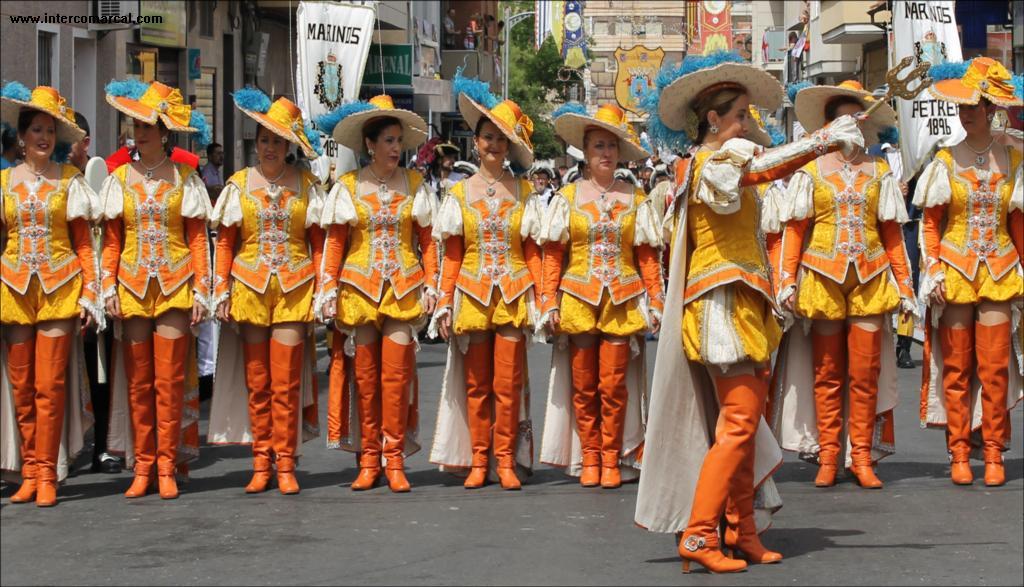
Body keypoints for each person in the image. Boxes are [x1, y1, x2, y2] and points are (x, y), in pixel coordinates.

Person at [633, 52, 864, 573]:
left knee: (742, 425)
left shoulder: (719, 162)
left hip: (745, 304)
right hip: (720, 304)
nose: (748, 123)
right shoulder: (708, 164)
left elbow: (760, 166)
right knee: (739, 423)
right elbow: (760, 169)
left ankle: (741, 530)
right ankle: (699, 534)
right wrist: (824, 139)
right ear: (713, 120)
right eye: (740, 115)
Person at [772, 80, 916, 489]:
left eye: (856, 118)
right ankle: (829, 455)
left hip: (870, 278)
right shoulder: (810, 172)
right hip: (822, 278)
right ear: (829, 126)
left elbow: (892, 234)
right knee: (827, 373)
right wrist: (787, 279)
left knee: (865, 373)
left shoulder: (880, 172)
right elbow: (795, 229)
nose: (851, 125)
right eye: (843, 119)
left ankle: (862, 457)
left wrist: (905, 286)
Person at [537, 102, 664, 490]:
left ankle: (611, 457)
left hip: (622, 299)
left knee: (614, 385)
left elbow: (647, 255)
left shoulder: (636, 198)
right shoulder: (567, 197)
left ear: (620, 151)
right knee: (583, 385)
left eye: (611, 146)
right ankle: (589, 455)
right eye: (598, 146)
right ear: (586, 152)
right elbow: (553, 254)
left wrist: (656, 299)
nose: (605, 153)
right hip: (578, 297)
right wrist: (548, 299)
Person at [316, 95, 438, 492]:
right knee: (366, 380)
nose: (395, 148)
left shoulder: (416, 185)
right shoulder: (348, 186)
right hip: (358, 290)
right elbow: (335, 242)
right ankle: (369, 458)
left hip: (403, 288)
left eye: (398, 140)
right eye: (388, 140)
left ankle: (394, 457)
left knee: (397, 377)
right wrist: (327, 287)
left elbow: (428, 241)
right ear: (370, 144)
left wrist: (432, 283)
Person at [206, 89, 324, 495]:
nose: (270, 147)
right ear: (254, 143)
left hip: (295, 287)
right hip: (250, 288)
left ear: (289, 145)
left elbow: (319, 243)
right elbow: (225, 243)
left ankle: (286, 463)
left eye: (277, 140)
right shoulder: (238, 185)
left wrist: (323, 289)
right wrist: (220, 289)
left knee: (286, 382)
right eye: (264, 139)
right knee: (258, 383)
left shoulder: (307, 185)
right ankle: (261, 461)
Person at [99, 79, 213, 500]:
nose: (140, 132)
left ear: (165, 132)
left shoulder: (186, 178)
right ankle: (143, 465)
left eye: (147, 126)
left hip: (176, 283)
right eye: (136, 126)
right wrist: (107, 285)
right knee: (139, 383)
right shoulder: (118, 179)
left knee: (169, 381)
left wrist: (202, 289)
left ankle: (167, 464)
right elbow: (112, 240)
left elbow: (198, 239)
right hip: (131, 284)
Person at [428, 75, 543, 489]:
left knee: (508, 384)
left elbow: (533, 251)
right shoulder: (459, 194)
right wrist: (444, 301)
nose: (493, 145)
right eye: (487, 137)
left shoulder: (525, 191)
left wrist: (542, 298)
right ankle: (479, 460)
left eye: (500, 139)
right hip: (472, 293)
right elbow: (452, 254)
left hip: (514, 292)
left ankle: (505, 461)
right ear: (475, 143)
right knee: (477, 385)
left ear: (509, 146)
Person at [915, 57, 1023, 487]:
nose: (965, 114)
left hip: (1000, 268)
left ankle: (993, 452)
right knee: (956, 368)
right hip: (956, 268)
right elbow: (930, 224)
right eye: (961, 107)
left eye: (973, 107)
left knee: (995, 368)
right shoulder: (944, 160)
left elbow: (1018, 223)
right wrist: (933, 271)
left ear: (990, 108)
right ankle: (959, 450)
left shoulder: (1013, 157)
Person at [1, 82, 103, 506]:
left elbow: (84, 244)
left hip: (60, 289)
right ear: (22, 136)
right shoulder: (4, 182)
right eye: (36, 130)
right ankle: (29, 470)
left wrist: (90, 292)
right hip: (14, 289)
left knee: (49, 385)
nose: (43, 138)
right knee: (22, 387)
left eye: (49, 131)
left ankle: (47, 473)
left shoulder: (70, 181)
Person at [69, 112, 124, 474]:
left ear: (85, 142)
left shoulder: (103, 180)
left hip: (96, 289)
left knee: (99, 368)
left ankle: (103, 446)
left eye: (68, 137)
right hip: (58, 288)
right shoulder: (51, 178)